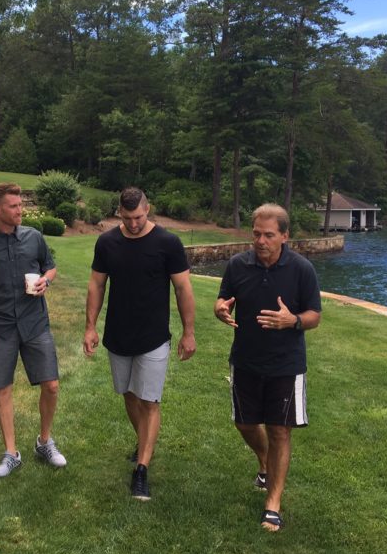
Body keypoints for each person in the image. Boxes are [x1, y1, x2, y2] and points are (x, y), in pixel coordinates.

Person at [84, 187, 196, 501]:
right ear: (118, 212)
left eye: (139, 217)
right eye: (127, 217)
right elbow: (96, 284)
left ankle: (142, 470)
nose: (134, 223)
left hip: (153, 336)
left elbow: (183, 289)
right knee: (130, 396)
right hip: (118, 335)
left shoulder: (167, 243)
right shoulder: (107, 242)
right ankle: (143, 441)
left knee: (150, 401)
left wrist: (189, 332)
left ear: (148, 210)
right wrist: (90, 327)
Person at [214, 203, 321, 532]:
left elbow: (314, 316)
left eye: (269, 235)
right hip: (245, 359)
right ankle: (264, 462)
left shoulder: (301, 270)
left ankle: (272, 503)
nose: (261, 241)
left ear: (285, 236)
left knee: (279, 431)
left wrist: (292, 321)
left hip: (285, 365)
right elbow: (223, 299)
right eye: (257, 234)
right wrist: (220, 309)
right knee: (245, 424)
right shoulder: (237, 265)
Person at [0, 182, 66, 478]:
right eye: (13, 206)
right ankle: (11, 453)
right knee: (3, 388)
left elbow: (50, 267)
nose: (20, 210)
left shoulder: (34, 237)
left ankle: (44, 442)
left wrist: (46, 281)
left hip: (35, 322)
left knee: (52, 385)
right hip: (0, 327)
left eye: (20, 205)